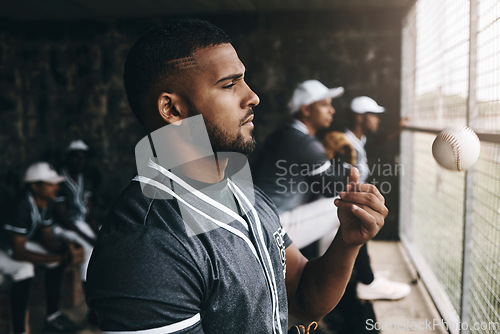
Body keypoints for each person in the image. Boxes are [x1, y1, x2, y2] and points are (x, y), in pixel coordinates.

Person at [86, 18, 388, 334]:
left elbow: (303, 297)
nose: (253, 97)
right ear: (172, 110)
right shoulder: (146, 245)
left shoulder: (244, 190)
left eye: (244, 80)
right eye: (230, 84)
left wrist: (347, 242)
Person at [323, 96, 410, 301]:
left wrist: (397, 129)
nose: (378, 120)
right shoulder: (344, 144)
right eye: (374, 116)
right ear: (361, 118)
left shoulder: (357, 139)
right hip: (336, 201)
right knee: (360, 224)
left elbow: (376, 140)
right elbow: (336, 182)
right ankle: (368, 282)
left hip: (347, 199)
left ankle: (367, 277)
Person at [253, 79, 356, 253]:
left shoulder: (285, 132)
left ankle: (321, 268)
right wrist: (346, 162)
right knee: (348, 205)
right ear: (306, 110)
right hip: (274, 229)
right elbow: (331, 188)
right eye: (324, 105)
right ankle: (329, 276)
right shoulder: (306, 143)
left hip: (259, 220)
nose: (332, 110)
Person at [0, 162, 84, 334]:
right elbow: (19, 252)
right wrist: (58, 258)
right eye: (51, 183)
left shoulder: (46, 202)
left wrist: (65, 250)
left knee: (54, 262)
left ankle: (52, 317)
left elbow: (47, 238)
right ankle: (20, 331)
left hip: (17, 244)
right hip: (4, 247)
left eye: (56, 183)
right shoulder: (21, 205)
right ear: (35, 186)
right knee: (25, 269)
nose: (56, 186)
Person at [53, 140, 98, 287]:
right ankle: (88, 292)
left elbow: (90, 213)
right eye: (76, 157)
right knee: (89, 250)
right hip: (64, 227)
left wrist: (98, 235)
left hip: (81, 223)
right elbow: (64, 219)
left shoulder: (84, 178)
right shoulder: (58, 180)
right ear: (68, 158)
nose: (80, 161)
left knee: (109, 236)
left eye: (83, 158)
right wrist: (90, 239)